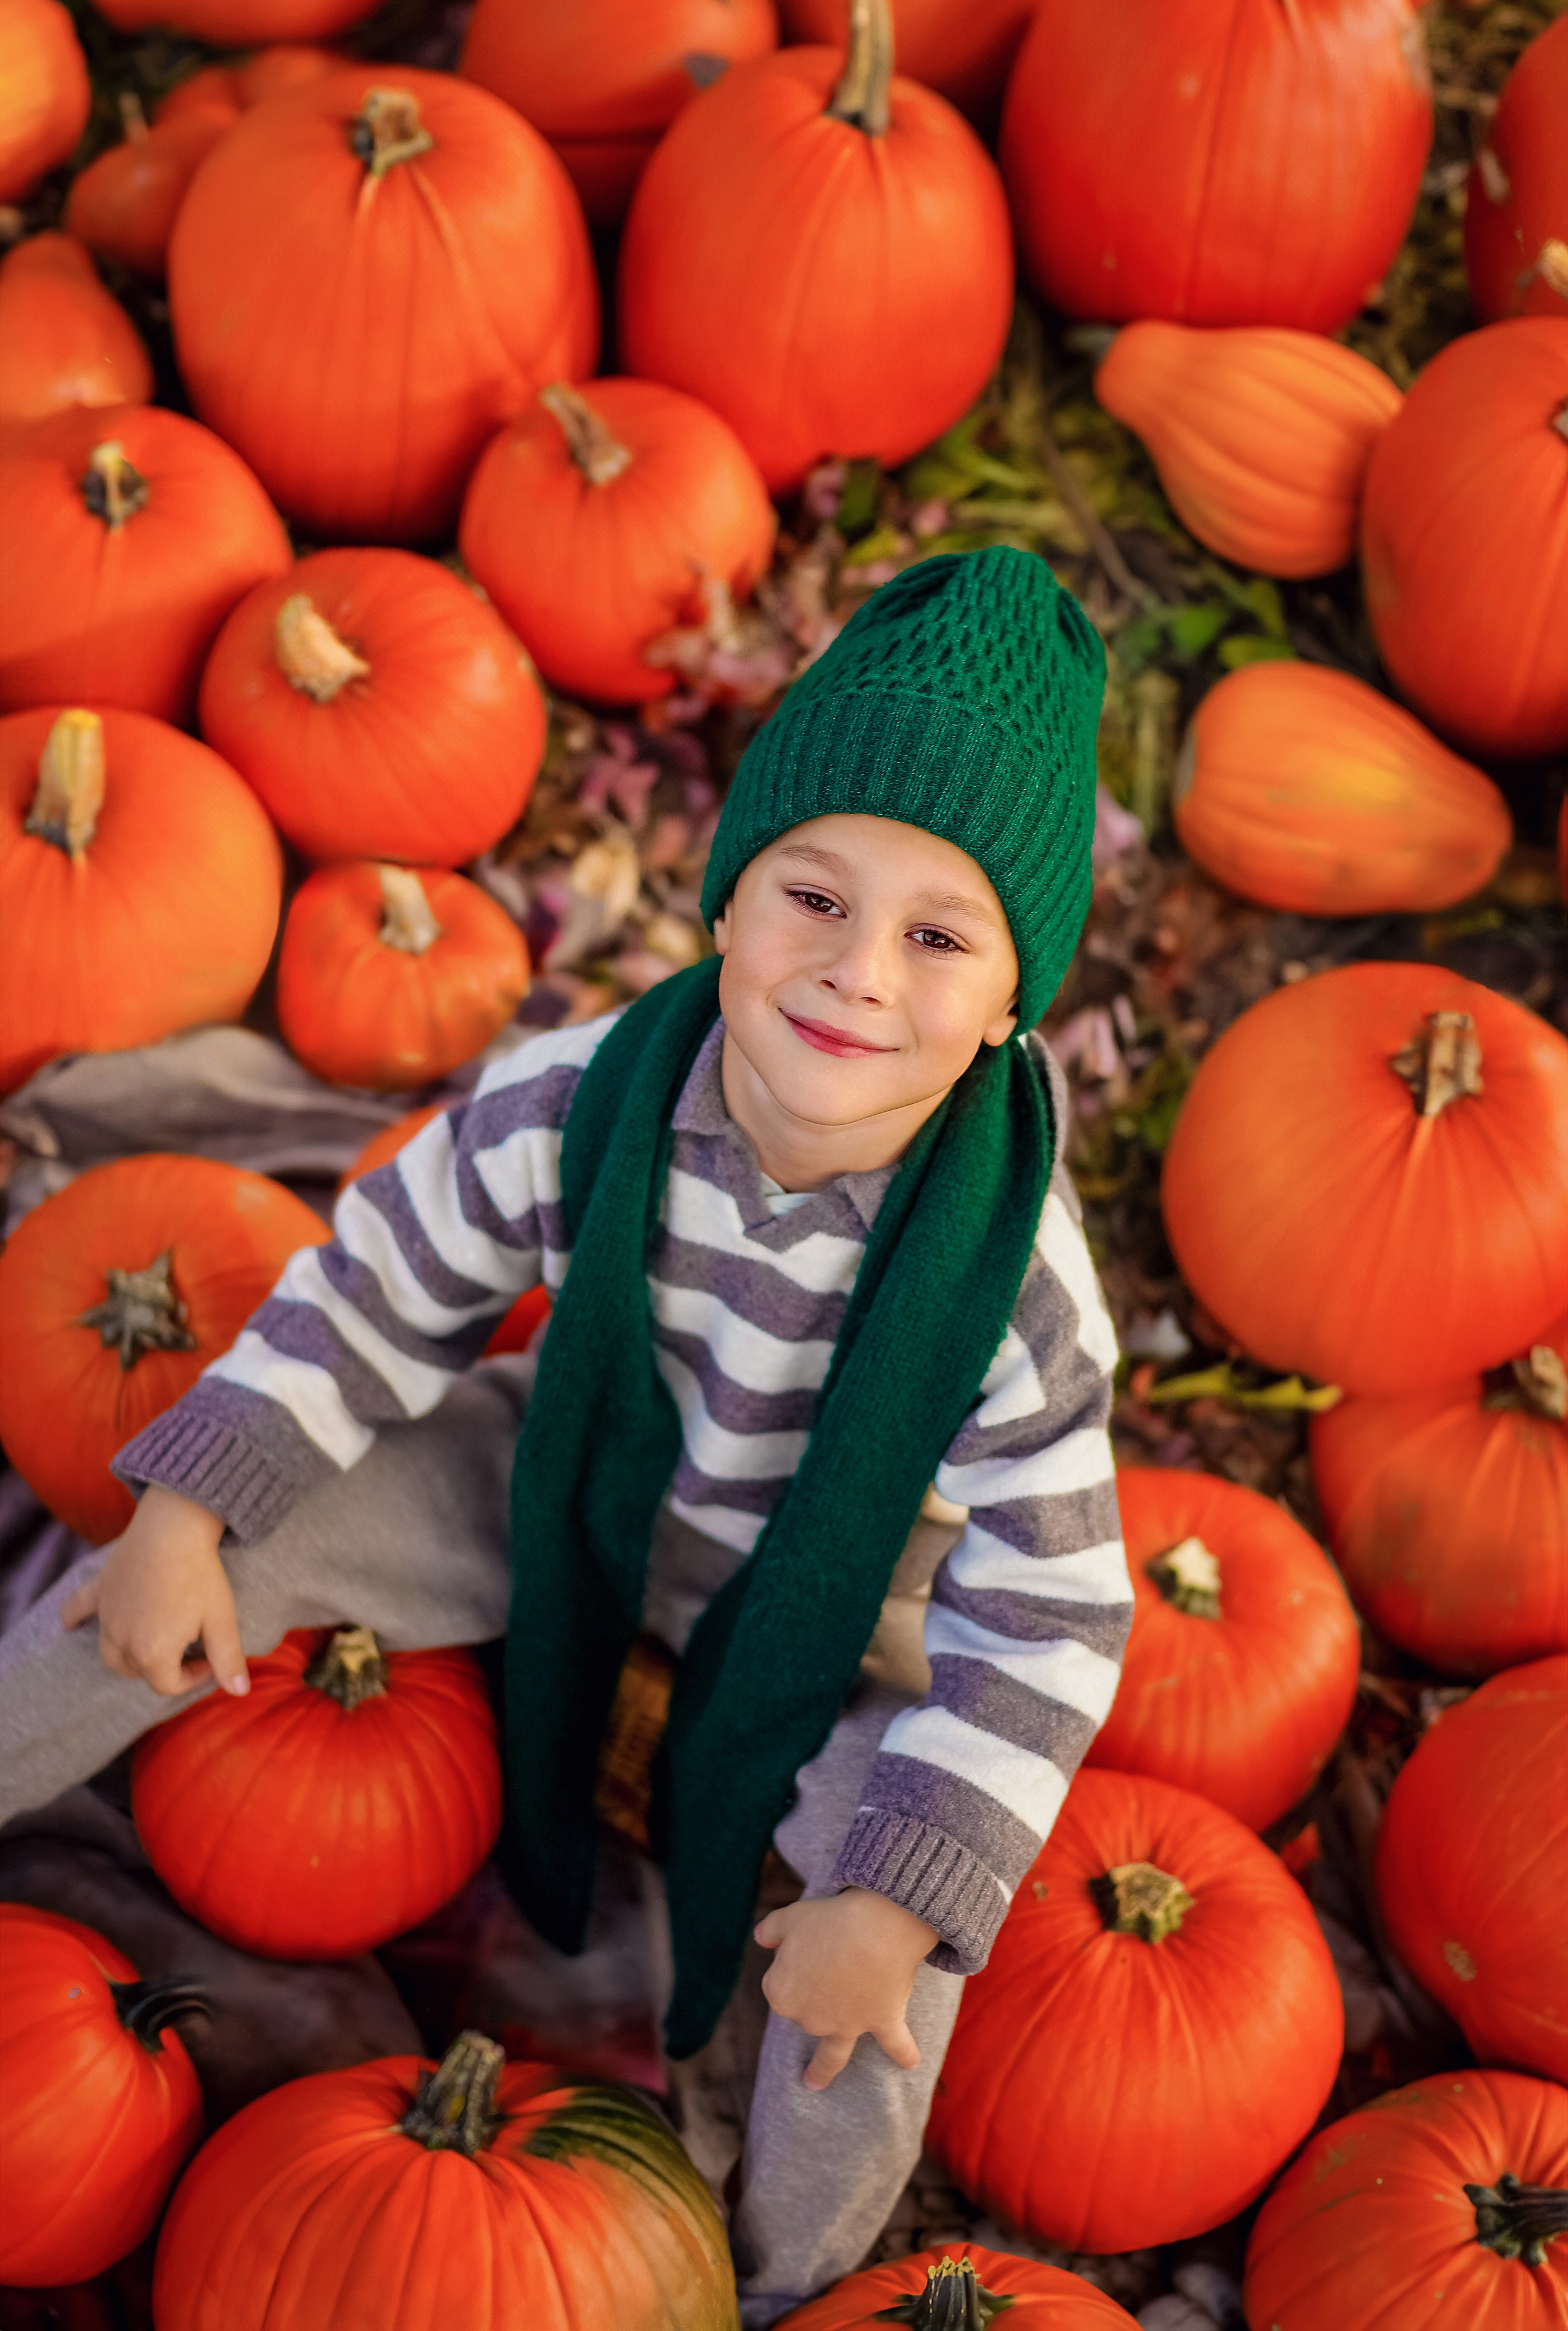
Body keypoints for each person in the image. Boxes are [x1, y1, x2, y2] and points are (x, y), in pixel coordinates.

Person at [0, 545, 1131, 2326]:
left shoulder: (1020, 1285)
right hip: (581, 1460)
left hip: (857, 1595)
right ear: (728, 898)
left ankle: (782, 2283)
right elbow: (376, 1287)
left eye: (936, 936)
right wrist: (194, 1506)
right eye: (811, 896)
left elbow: (1053, 1610)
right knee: (206, 1537)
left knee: (888, 1977)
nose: (853, 974)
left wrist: (903, 1894)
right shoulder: (580, 1095)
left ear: (1008, 1000)